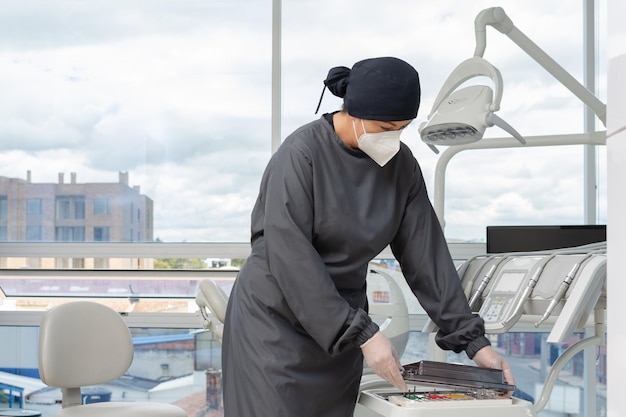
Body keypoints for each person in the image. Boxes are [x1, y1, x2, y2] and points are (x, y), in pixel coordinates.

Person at [222, 56, 515, 417]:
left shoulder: (402, 166)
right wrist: (361, 333)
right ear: (354, 112)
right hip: (275, 322)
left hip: (343, 329)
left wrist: (474, 342)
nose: (392, 138)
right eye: (385, 126)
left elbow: (427, 258)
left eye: (402, 128)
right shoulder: (300, 155)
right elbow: (290, 256)